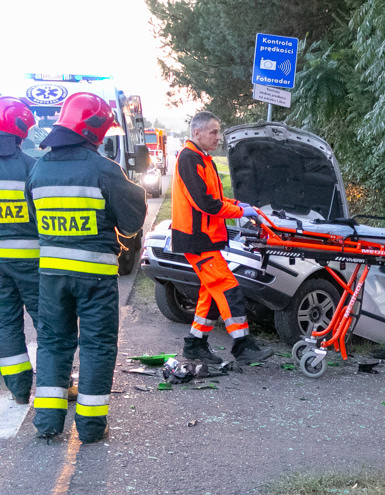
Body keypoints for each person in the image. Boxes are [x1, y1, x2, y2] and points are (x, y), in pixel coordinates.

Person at [27, 92, 147, 443]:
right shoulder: (104, 170)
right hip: (95, 277)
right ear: (94, 130)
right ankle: (92, 428)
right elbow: (131, 222)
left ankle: (48, 422)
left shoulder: (38, 168)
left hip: (51, 278)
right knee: (97, 345)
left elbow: (38, 224)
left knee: (52, 343)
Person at [172, 111, 272, 365]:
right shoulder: (188, 159)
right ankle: (243, 345)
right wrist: (240, 211)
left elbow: (216, 198)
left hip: (206, 238)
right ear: (197, 133)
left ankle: (195, 344)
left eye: (219, 131)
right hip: (196, 239)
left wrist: (239, 204)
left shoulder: (204, 160)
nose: (219, 137)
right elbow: (205, 203)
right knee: (229, 290)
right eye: (214, 132)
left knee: (210, 293)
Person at [0, 97, 38, 405]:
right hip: (30, 260)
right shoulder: (32, 168)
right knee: (47, 322)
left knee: (5, 323)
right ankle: (57, 382)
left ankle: (19, 389)